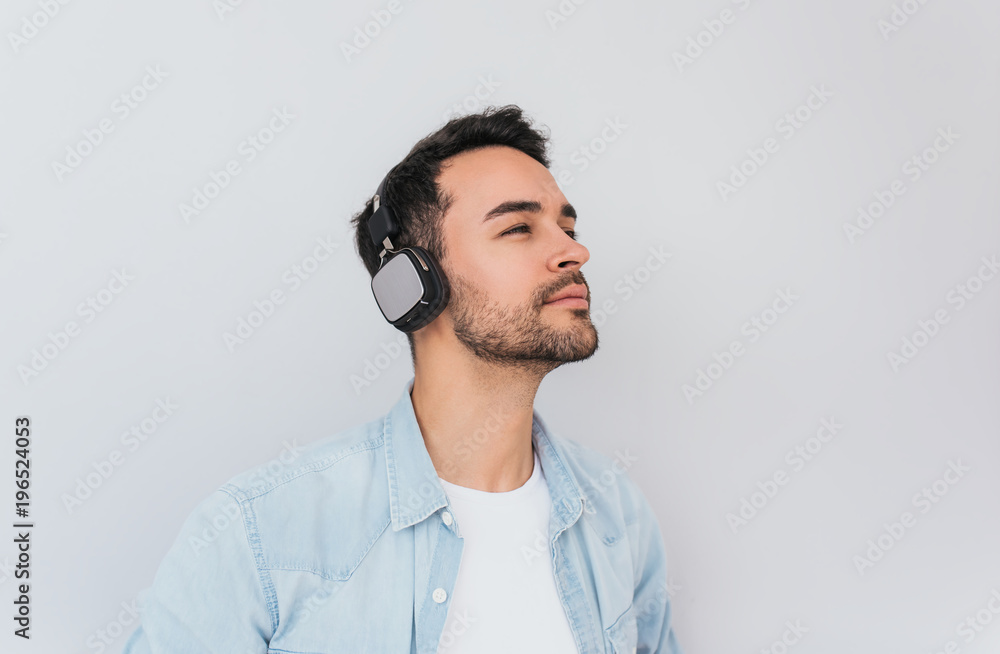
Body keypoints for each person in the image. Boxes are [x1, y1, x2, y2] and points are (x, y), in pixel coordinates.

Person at [122, 104, 683, 653]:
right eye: (518, 228)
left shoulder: (617, 513)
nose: (574, 251)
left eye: (567, 226)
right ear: (412, 286)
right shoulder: (257, 532)